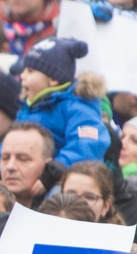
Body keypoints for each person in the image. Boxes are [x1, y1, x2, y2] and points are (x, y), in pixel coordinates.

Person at [13, 37, 110, 168]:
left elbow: (87, 145)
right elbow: (10, 143)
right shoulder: (26, 110)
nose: (22, 76)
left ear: (53, 79)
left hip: (62, 180)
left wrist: (55, 170)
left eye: (30, 71)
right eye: (23, 71)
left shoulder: (77, 108)